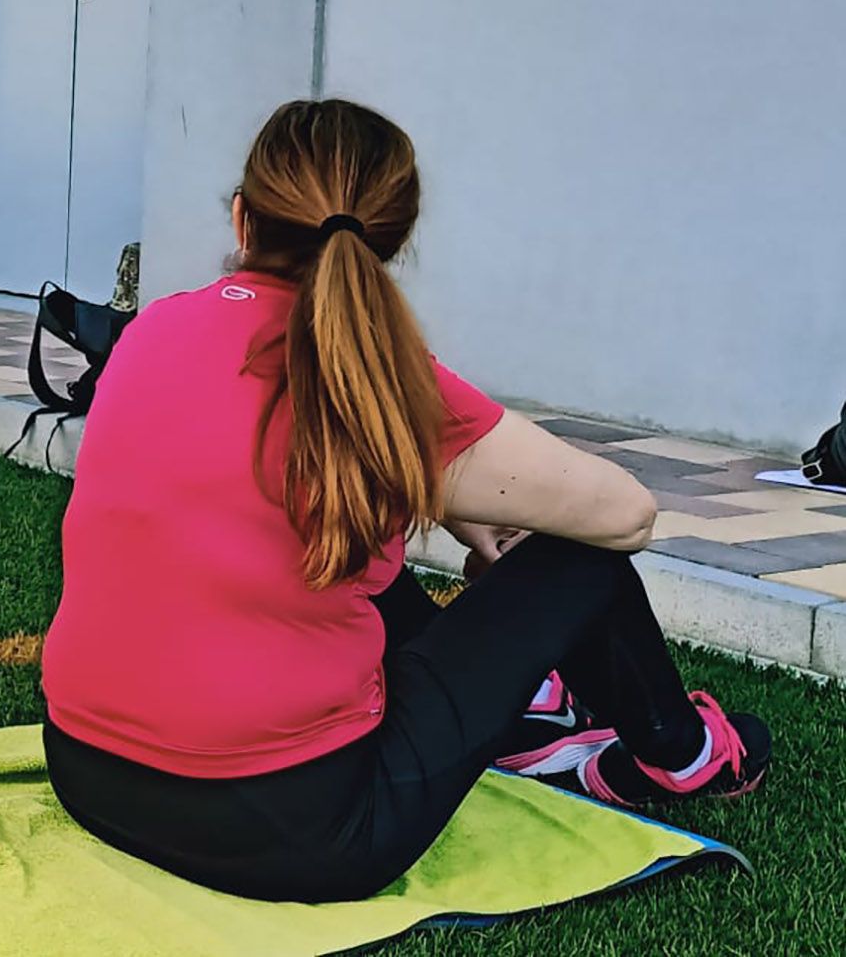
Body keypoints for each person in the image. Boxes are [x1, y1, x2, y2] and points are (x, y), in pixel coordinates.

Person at [39, 98, 769, 905]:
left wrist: (449, 493)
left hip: (87, 774)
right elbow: (624, 513)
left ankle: (533, 715)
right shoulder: (387, 383)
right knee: (580, 563)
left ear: (244, 221)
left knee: (322, 548)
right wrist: (497, 523)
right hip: (303, 837)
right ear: (393, 241)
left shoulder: (151, 331)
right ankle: (684, 753)